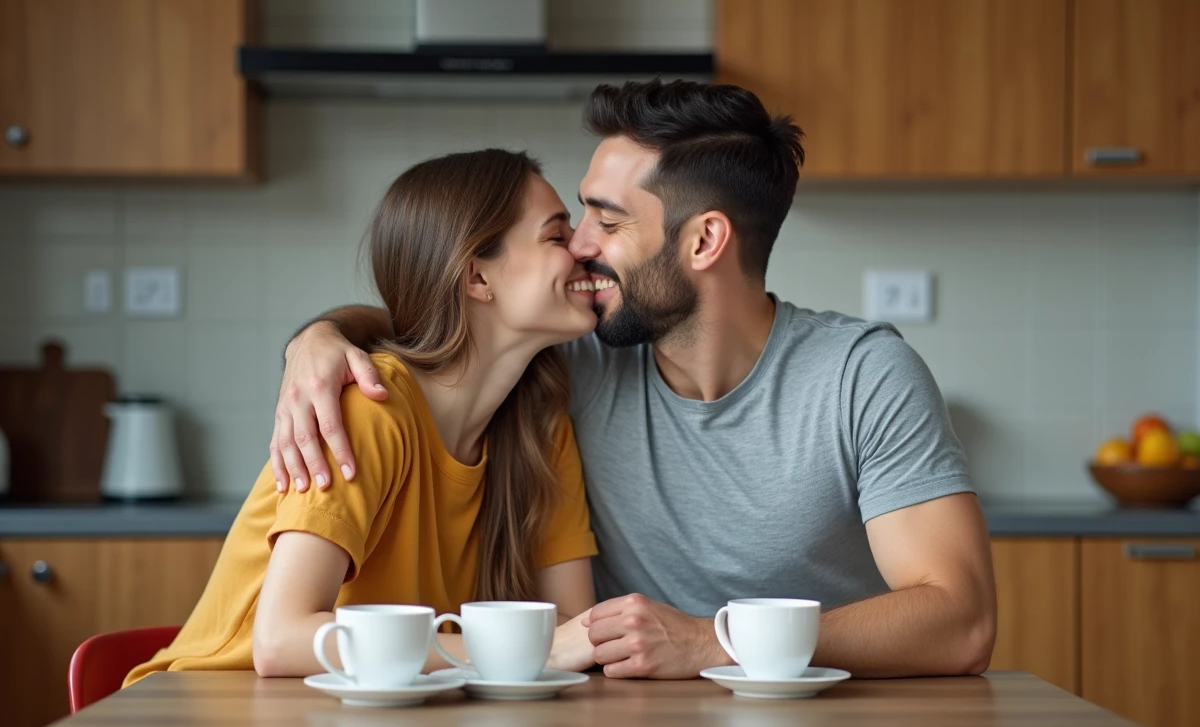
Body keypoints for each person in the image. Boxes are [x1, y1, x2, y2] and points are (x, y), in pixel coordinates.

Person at [272, 80, 998, 681]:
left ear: (704, 241)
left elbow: (960, 621)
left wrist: (716, 645)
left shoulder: (861, 376)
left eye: (606, 221)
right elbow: (448, 327)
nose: (579, 246)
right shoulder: (574, 359)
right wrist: (319, 337)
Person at [126, 149, 601, 686]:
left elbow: (568, 630)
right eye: (557, 236)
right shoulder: (370, 408)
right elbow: (280, 641)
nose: (585, 249)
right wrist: (518, 650)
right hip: (214, 711)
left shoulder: (540, 426)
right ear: (476, 276)